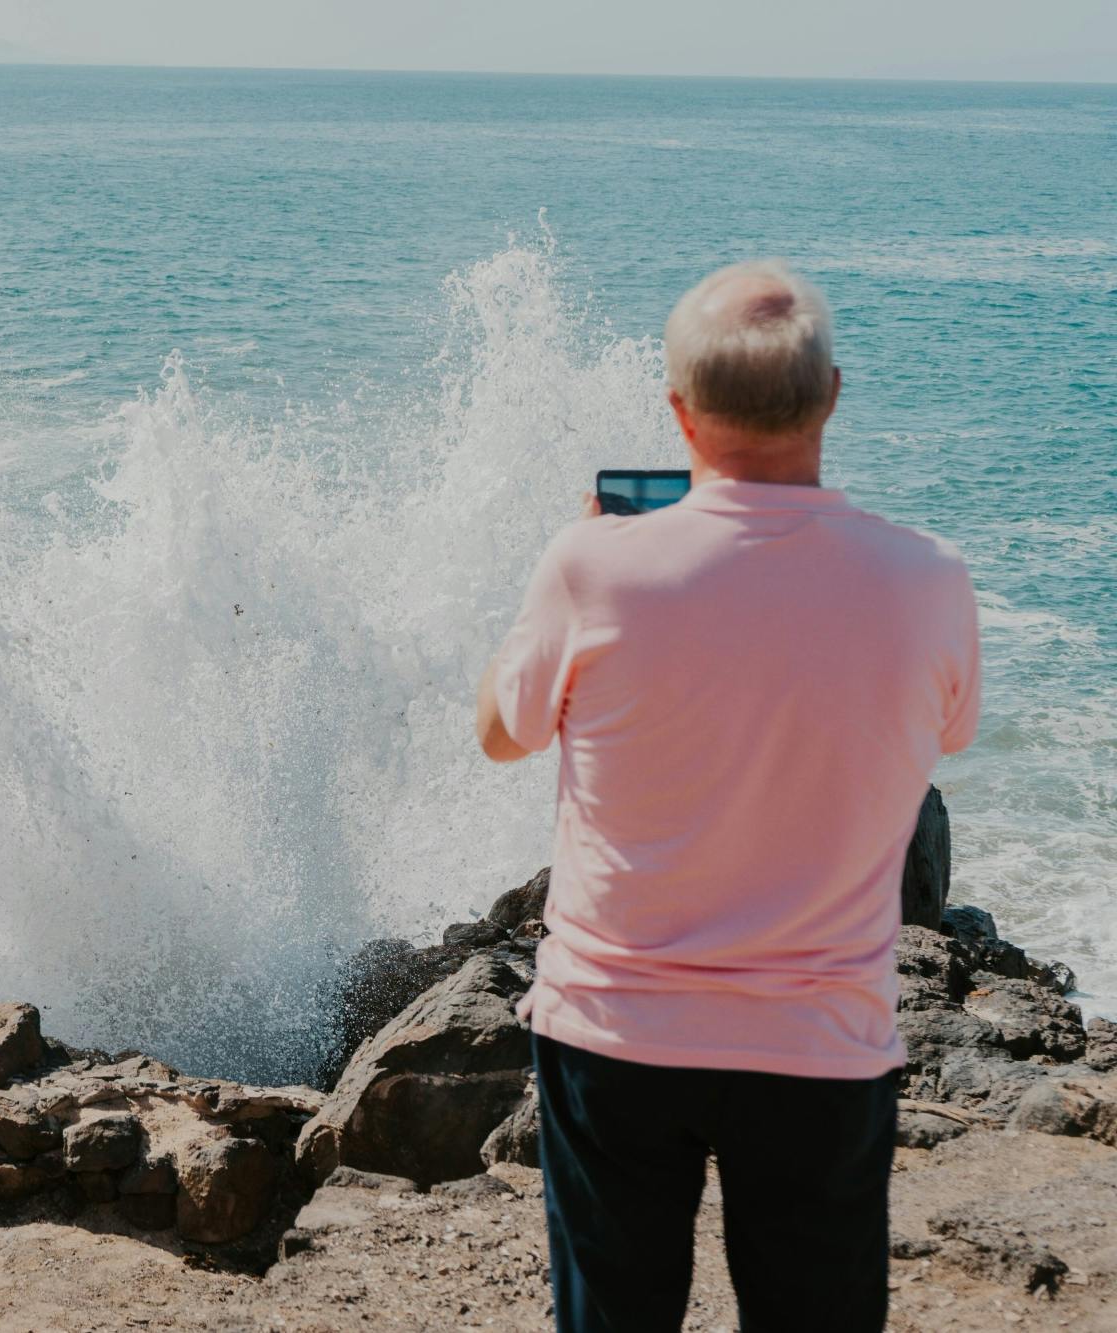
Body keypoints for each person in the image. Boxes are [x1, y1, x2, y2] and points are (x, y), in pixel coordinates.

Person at [474, 261, 980, 1332]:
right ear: (829, 394)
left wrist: (584, 566)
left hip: (615, 1029)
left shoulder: (593, 565)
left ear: (677, 413)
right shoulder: (924, 576)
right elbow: (945, 733)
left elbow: (498, 737)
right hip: (818, 1038)